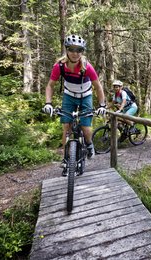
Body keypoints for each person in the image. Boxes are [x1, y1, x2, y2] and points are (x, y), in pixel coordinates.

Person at [42, 34, 106, 175]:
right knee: (66, 126)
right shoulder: (59, 66)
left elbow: (98, 86)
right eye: (72, 49)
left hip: (86, 96)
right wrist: (48, 103)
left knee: (86, 126)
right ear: (66, 50)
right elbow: (50, 85)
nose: (75, 53)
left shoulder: (87, 67)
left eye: (79, 50)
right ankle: (66, 159)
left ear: (82, 52)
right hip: (69, 96)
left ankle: (89, 144)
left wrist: (102, 105)